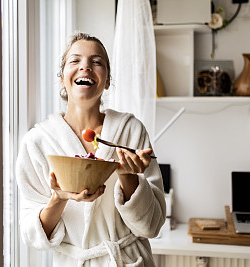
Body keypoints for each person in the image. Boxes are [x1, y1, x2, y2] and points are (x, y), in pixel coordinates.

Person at [16, 32, 166, 267]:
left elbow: (151, 226)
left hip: (126, 259)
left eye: (96, 62)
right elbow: (32, 235)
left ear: (107, 80)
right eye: (75, 61)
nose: (85, 67)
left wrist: (128, 178)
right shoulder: (37, 142)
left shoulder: (131, 131)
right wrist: (59, 198)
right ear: (62, 78)